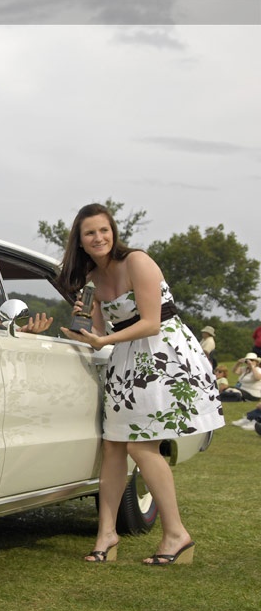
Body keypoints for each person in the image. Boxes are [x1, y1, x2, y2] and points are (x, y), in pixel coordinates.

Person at [58, 203, 222, 566]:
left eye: (104, 230)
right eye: (90, 233)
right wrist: (79, 333)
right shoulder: (92, 281)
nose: (99, 237)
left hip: (162, 355)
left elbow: (151, 322)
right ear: (80, 242)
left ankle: (177, 534)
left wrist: (105, 342)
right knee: (113, 445)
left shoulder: (137, 261)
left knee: (141, 445)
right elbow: (99, 332)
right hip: (126, 361)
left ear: (112, 232)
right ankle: (107, 534)